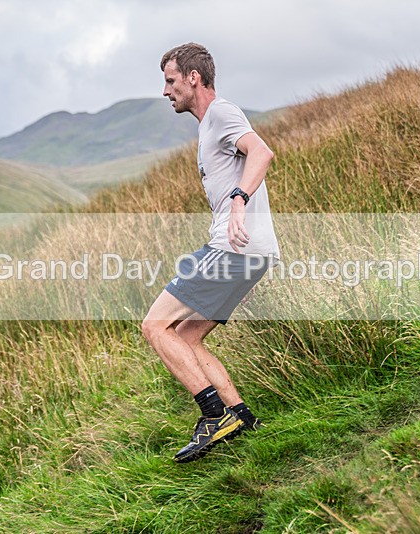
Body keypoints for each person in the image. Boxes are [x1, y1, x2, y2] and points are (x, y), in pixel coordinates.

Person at [141, 42, 280, 463]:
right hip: (249, 251)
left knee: (154, 326)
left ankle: (213, 416)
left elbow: (262, 151)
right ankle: (241, 416)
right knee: (187, 336)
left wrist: (239, 200)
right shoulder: (208, 127)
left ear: (193, 78)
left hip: (232, 248)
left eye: (170, 81)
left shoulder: (221, 113)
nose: (166, 91)